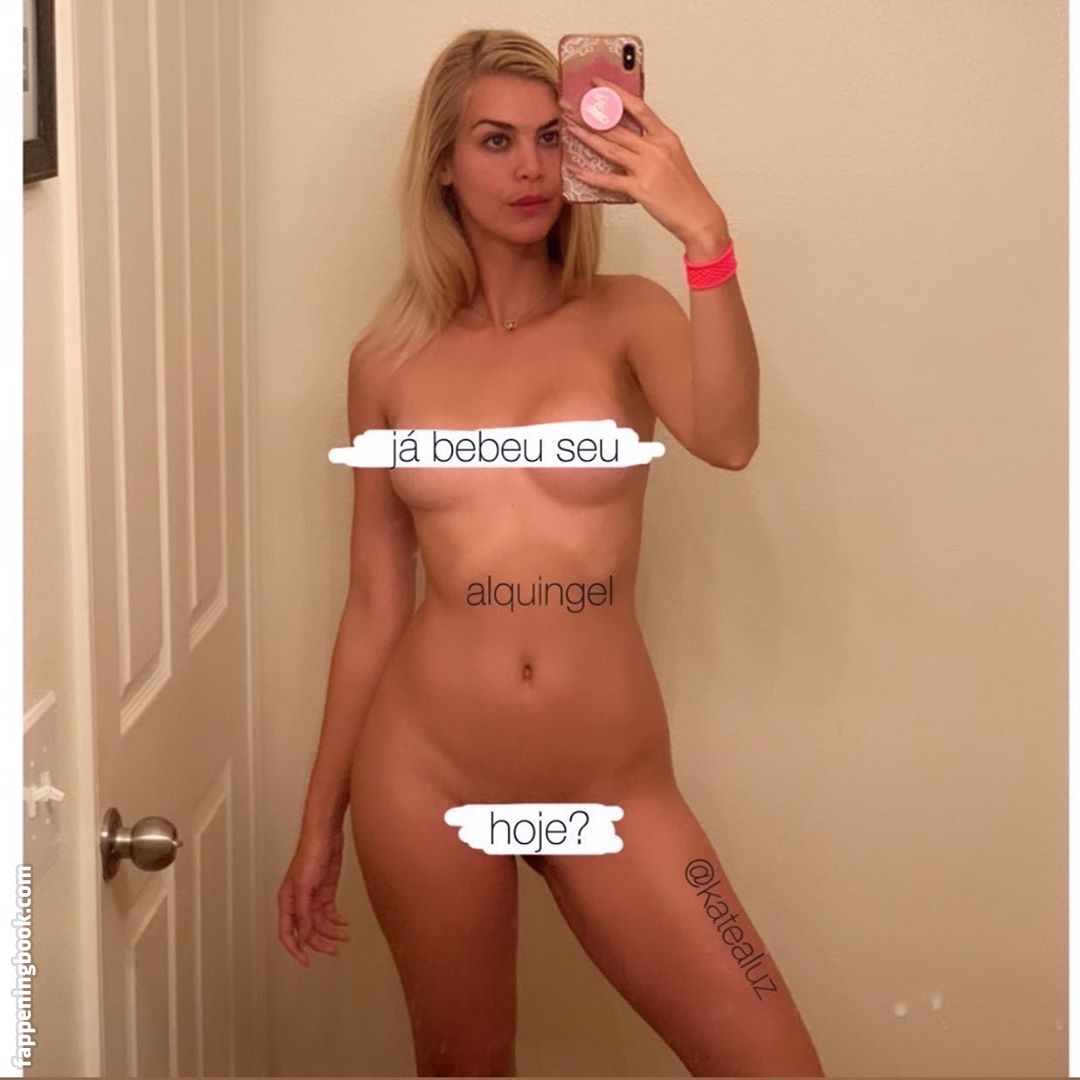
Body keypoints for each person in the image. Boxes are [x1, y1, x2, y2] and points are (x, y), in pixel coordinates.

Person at [277, 28, 824, 1079]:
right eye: (495, 141)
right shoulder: (386, 361)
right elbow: (375, 603)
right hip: (426, 773)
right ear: (443, 164)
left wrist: (704, 231)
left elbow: (730, 438)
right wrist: (318, 826)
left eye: (548, 138)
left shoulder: (626, 318)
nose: (529, 168)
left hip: (610, 782)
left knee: (775, 1066)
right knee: (468, 1069)